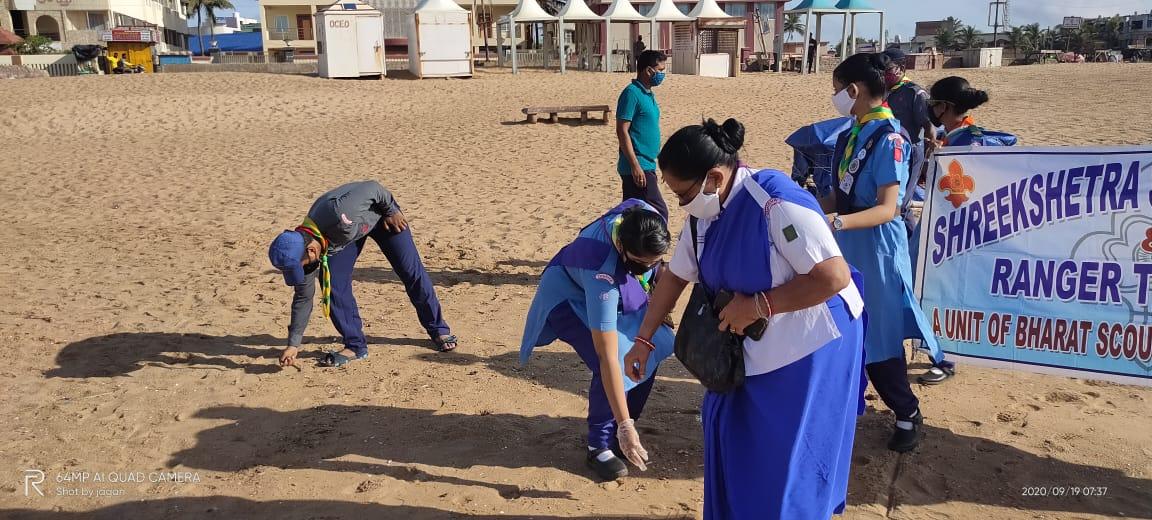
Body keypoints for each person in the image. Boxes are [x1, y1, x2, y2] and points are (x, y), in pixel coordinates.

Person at [624, 118, 866, 518]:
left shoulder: (775, 204)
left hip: (812, 346)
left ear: (715, 177)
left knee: (786, 462)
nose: (681, 205)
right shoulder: (707, 210)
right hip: (749, 345)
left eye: (683, 194)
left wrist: (758, 306)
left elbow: (833, 277)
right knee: (735, 440)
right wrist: (644, 338)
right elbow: (676, 277)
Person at [824, 52, 939, 452]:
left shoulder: (890, 140)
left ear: (853, 90)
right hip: (847, 245)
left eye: (838, 89)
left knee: (879, 338)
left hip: (877, 250)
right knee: (843, 328)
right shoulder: (849, 135)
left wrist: (836, 222)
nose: (835, 96)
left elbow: (887, 208)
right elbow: (839, 196)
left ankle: (907, 412)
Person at [520, 200, 675, 481]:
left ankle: (624, 422)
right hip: (570, 297)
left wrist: (655, 297)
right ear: (625, 251)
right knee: (614, 359)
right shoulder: (600, 269)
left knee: (654, 343)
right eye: (645, 263)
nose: (652, 266)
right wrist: (625, 424)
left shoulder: (646, 218)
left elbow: (657, 269)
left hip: (624, 284)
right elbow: (608, 357)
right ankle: (599, 445)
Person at [268, 180, 458, 368]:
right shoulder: (301, 254)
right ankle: (355, 346)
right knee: (334, 284)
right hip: (346, 237)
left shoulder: (336, 211)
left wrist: (391, 210)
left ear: (311, 251)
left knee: (410, 271)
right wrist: (293, 345)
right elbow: (303, 298)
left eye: (301, 267)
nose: (303, 270)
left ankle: (438, 329)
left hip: (381, 217)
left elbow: (372, 188)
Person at [906, 75, 1018, 384]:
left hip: (955, 235)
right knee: (923, 286)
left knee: (946, 292)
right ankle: (935, 349)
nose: (930, 110)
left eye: (934, 104)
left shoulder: (971, 141)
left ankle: (946, 358)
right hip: (934, 227)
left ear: (946, 106)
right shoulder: (947, 136)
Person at [881, 48, 937, 229]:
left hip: (911, 152)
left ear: (901, 67)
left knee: (901, 203)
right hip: (887, 152)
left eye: (888, 69)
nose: (884, 74)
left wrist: (928, 158)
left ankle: (910, 243)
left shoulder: (914, 93)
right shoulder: (883, 91)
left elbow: (929, 127)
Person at [616, 50, 669, 222]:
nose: (662, 75)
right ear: (648, 71)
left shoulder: (648, 94)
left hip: (648, 164)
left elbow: (648, 130)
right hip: (638, 166)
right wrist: (635, 165)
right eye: (660, 70)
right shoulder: (631, 93)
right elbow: (622, 130)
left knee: (634, 216)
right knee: (659, 213)